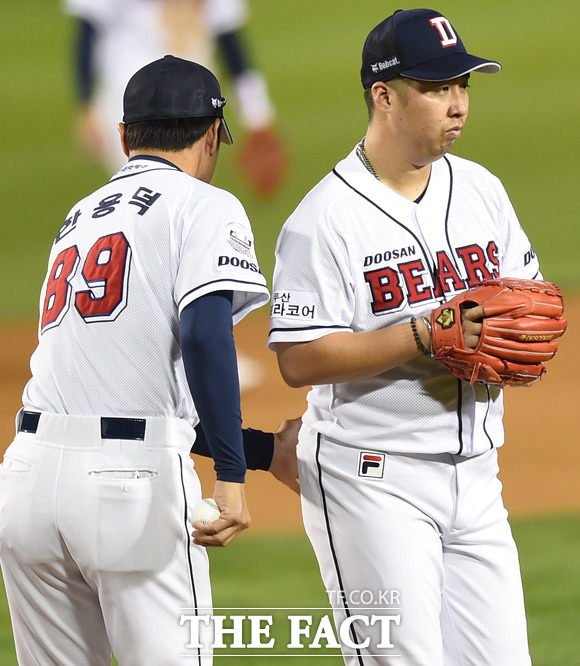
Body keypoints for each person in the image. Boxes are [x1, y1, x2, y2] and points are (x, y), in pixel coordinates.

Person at [0, 55, 297, 666]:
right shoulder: (205, 205)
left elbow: (124, 396)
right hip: (128, 493)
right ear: (213, 134)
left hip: (25, 483)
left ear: (123, 137)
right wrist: (235, 479)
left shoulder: (78, 218)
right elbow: (205, 337)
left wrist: (263, 452)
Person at [268, 9, 539, 665]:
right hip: (372, 483)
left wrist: (517, 343)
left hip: (478, 480)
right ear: (384, 95)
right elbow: (300, 359)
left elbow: (525, 310)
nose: (457, 105)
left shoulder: (481, 190)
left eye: (463, 86)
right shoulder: (323, 219)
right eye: (438, 87)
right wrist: (425, 332)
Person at [64, 0, 287, 198]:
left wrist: (257, 115)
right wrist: (86, 105)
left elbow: (229, 39)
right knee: (149, 195)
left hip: (196, 101)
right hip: (130, 100)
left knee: (187, 199)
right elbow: (87, 30)